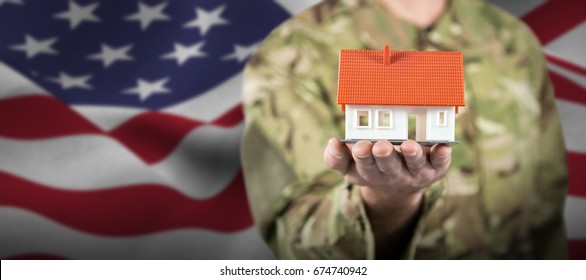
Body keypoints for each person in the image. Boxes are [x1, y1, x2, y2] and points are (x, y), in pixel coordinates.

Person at [241, 0, 568, 259]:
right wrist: (386, 202)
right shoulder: (292, 52)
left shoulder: (511, 38)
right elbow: (297, 242)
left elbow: (546, 200)